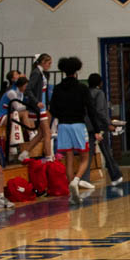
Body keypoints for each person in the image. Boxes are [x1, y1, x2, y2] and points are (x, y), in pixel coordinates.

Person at [49, 57, 106, 198]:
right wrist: (97, 130)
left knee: (68, 158)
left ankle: (72, 192)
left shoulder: (57, 88)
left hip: (63, 125)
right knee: (85, 157)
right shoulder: (82, 88)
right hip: (78, 125)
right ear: (77, 71)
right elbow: (91, 110)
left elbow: (53, 110)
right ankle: (76, 180)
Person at [85, 73, 123, 186]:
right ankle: (115, 175)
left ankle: (84, 178)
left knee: (88, 153)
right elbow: (100, 111)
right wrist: (108, 123)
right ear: (100, 83)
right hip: (99, 126)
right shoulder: (99, 93)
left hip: (88, 126)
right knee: (106, 151)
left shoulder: (86, 93)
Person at [25, 54, 55, 161]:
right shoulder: (36, 73)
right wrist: (36, 102)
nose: (50, 66)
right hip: (38, 107)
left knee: (41, 133)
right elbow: (28, 89)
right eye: (49, 63)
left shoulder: (42, 73)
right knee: (47, 132)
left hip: (42, 106)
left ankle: (25, 152)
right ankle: (49, 157)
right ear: (42, 62)